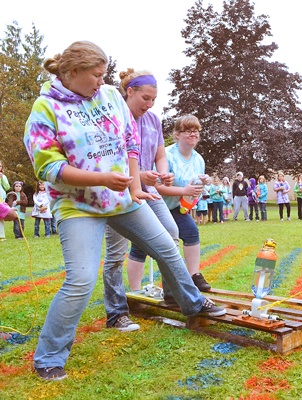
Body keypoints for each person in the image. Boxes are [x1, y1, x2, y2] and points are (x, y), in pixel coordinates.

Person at [24, 41, 225, 381]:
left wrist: (134, 186)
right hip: (78, 205)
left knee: (165, 244)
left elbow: (130, 141)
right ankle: (49, 357)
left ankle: (191, 303)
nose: (101, 83)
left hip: (121, 198)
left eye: (104, 75)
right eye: (96, 76)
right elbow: (48, 168)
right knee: (82, 279)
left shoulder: (110, 98)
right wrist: (102, 178)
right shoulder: (45, 108)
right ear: (73, 73)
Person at [101, 68, 210, 333]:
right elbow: (112, 161)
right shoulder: (115, 118)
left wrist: (163, 172)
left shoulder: (152, 120)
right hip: (118, 192)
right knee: (116, 253)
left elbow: (160, 153)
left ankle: (172, 292)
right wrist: (139, 174)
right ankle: (116, 313)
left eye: (154, 99)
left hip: (149, 189)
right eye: (145, 98)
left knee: (172, 232)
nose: (149, 104)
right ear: (130, 92)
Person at [156, 114, 216, 292]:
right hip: (155, 206)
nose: (193, 134)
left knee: (191, 232)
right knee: (140, 248)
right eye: (188, 131)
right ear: (176, 134)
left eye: (196, 131)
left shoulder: (198, 159)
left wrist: (203, 182)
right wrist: (183, 191)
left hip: (176, 207)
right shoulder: (166, 155)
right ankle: (135, 291)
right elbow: (155, 187)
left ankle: (194, 276)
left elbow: (194, 189)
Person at [0, 160, 10, 241]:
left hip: (1, 199)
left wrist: (2, 178)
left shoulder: (3, 176)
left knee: (1, 216)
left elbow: (7, 187)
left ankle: (1, 235)